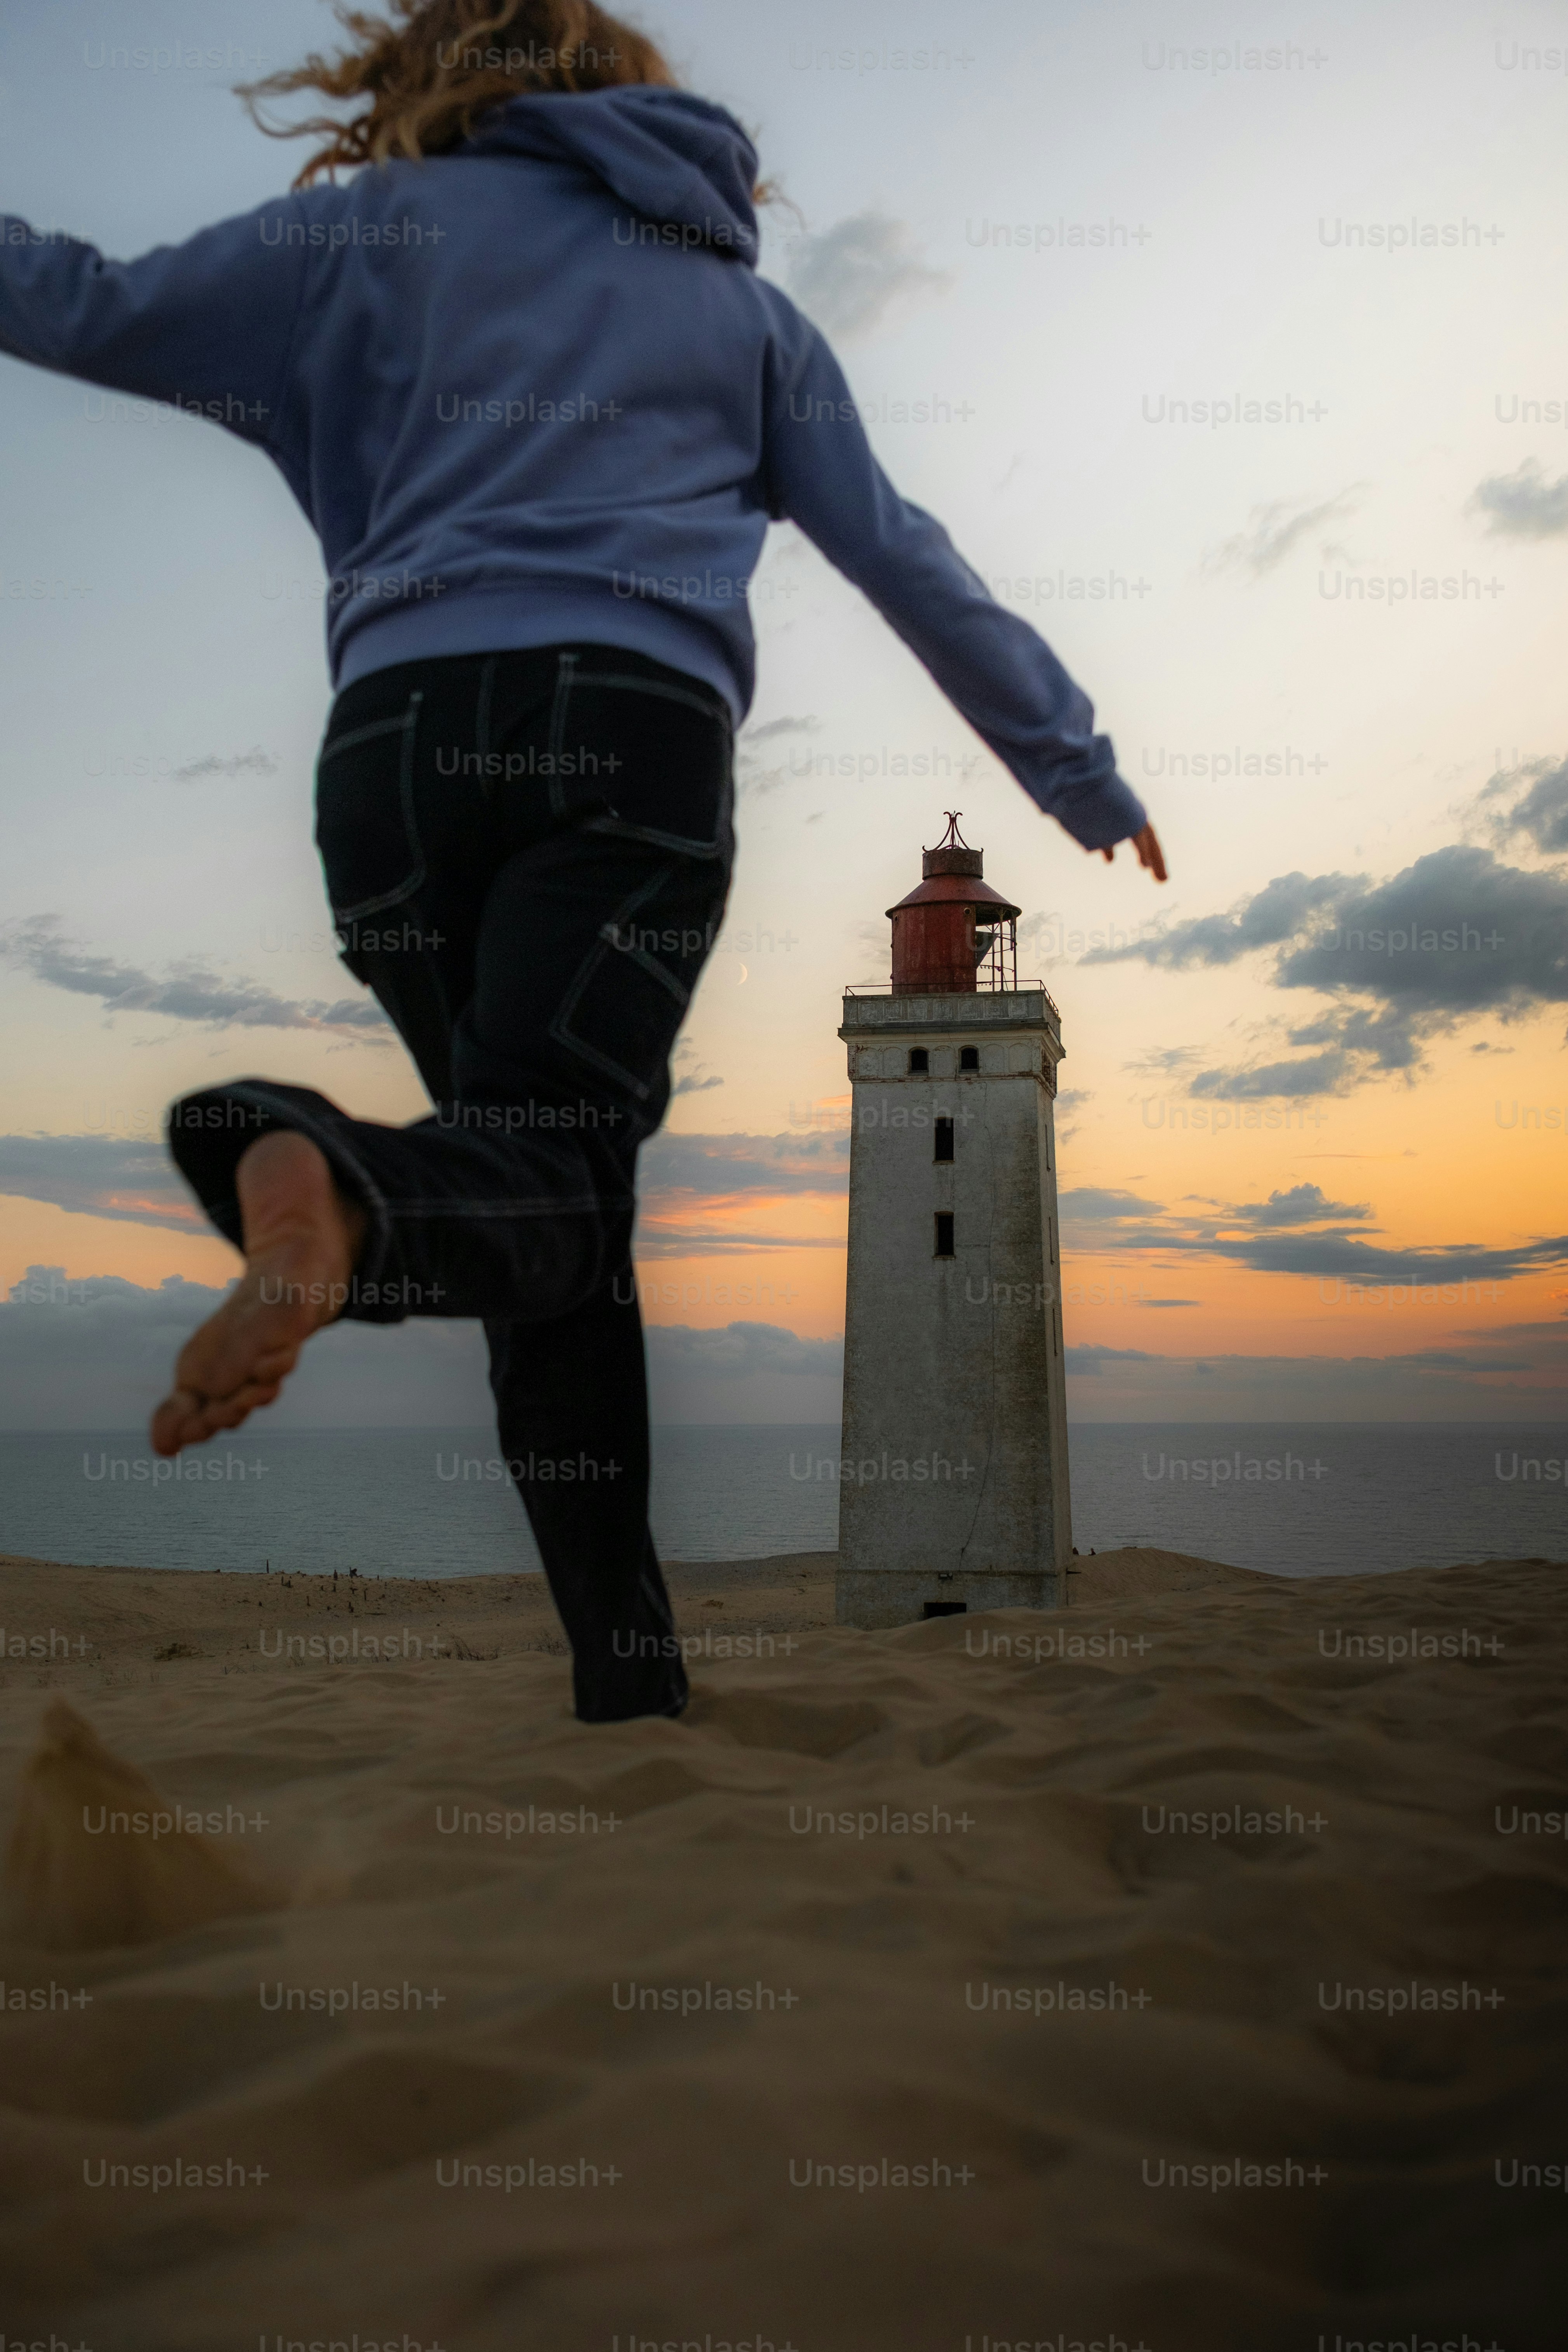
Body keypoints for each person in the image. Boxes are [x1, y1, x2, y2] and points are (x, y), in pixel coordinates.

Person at [0, 0, 1164, 1723]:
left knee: (550, 1205)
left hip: (395, 757)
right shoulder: (735, 314)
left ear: (427, 86)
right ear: (639, 106)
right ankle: (341, 1188)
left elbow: (79, 300)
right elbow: (903, 559)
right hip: (624, 743)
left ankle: (628, 1676)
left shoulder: (352, 240)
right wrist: (1074, 768)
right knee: (537, 1183)